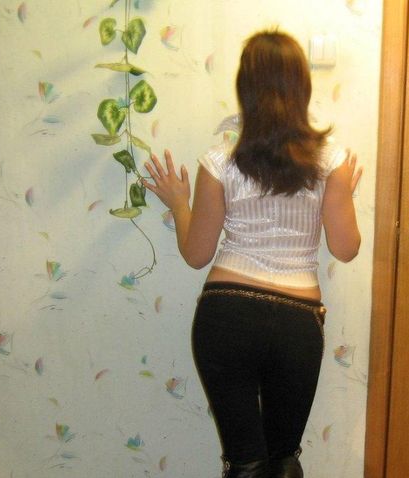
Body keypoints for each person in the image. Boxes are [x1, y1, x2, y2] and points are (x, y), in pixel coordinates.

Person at [142, 30, 361, 478]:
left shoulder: (218, 161)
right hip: (297, 320)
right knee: (283, 459)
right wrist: (341, 194)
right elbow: (345, 248)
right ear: (302, 85)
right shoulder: (331, 161)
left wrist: (179, 203)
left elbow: (197, 254)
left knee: (245, 463)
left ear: (245, 87)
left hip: (228, 316)